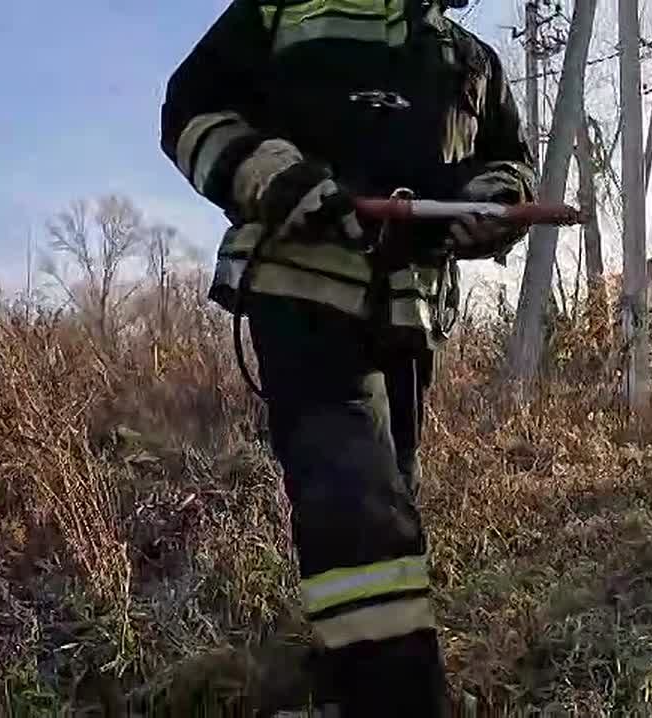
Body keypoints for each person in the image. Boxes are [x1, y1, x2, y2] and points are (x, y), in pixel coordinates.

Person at [159, 0, 537, 714]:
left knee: (386, 501)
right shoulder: (284, 10)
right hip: (300, 295)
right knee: (353, 495)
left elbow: (510, 165)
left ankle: (347, 677)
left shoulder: (473, 62)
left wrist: (490, 205)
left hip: (409, 318)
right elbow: (192, 111)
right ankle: (398, 700)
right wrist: (270, 174)